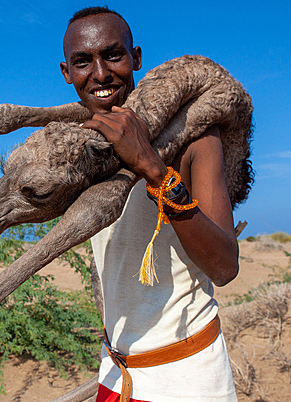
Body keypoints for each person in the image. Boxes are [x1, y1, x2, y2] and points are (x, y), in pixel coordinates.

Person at [59, 7, 239, 402]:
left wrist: (153, 170)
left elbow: (225, 266)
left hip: (187, 378)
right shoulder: (83, 149)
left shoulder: (194, 138)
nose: (101, 73)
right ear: (66, 73)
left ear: (136, 58)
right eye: (83, 62)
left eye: (113, 55)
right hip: (115, 372)